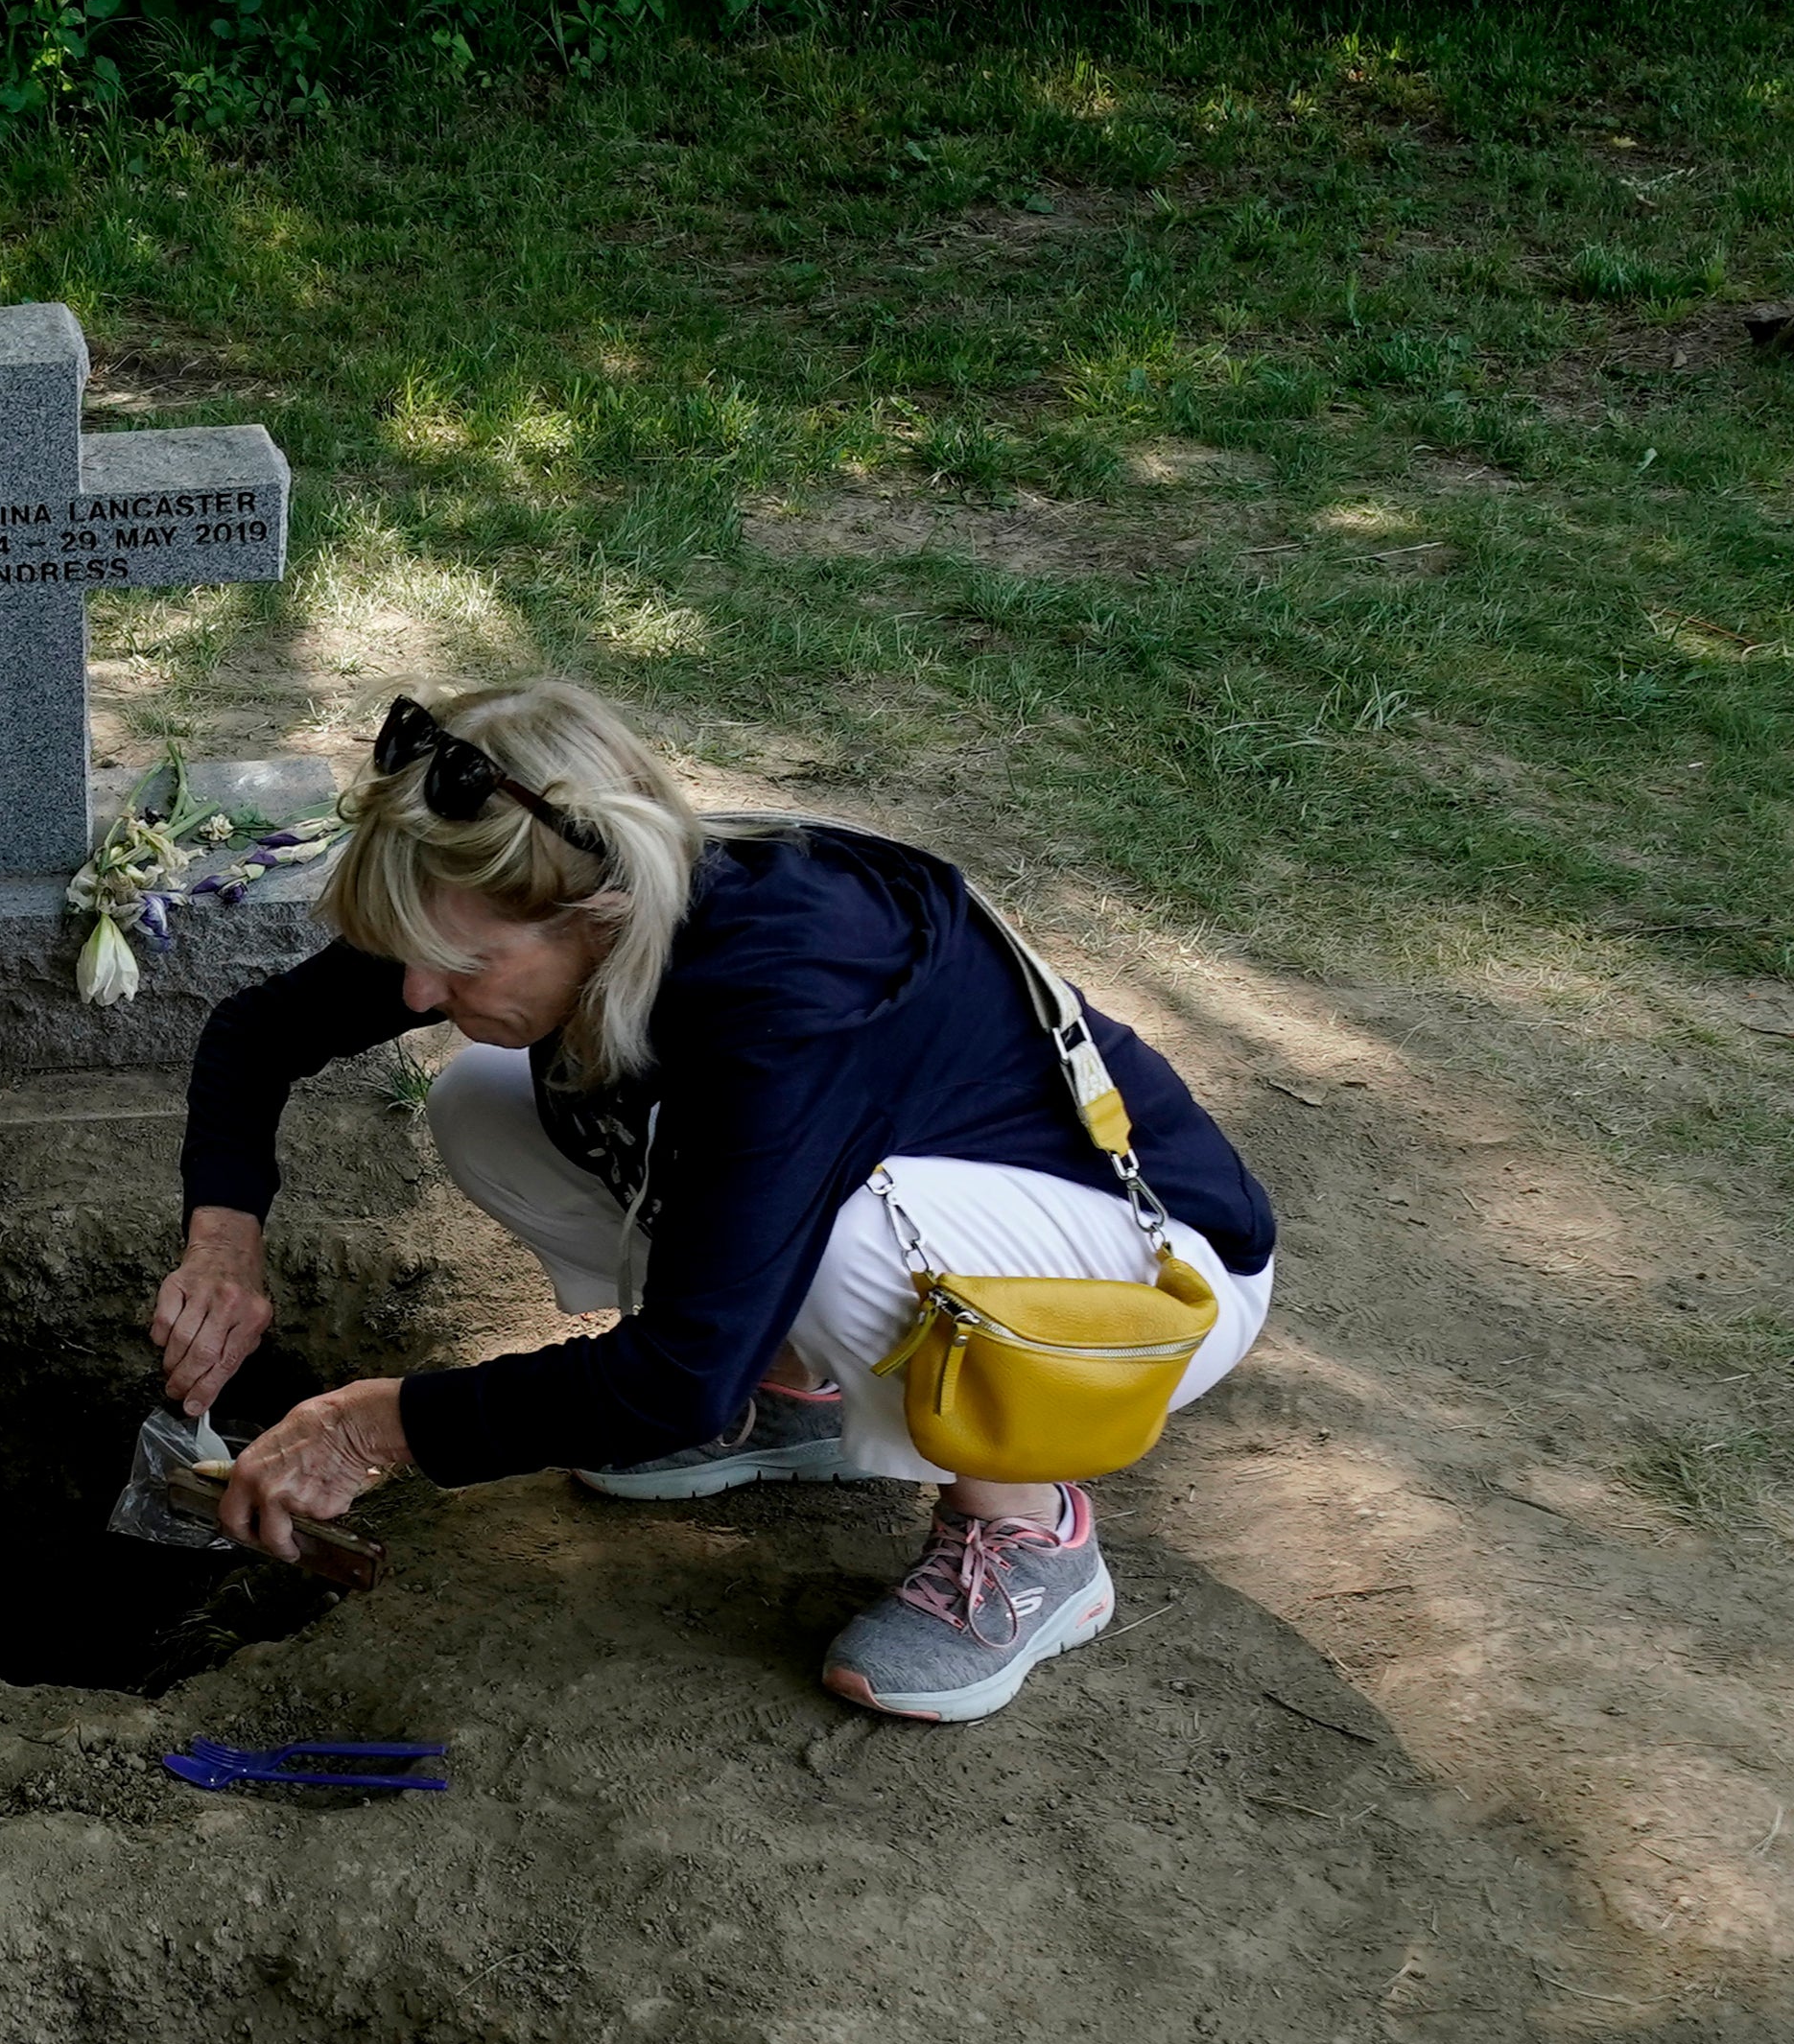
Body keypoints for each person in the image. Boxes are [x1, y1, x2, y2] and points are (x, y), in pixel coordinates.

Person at [151, 678, 1279, 1725]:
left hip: (1137, 1290)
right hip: (964, 1219)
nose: (414, 993)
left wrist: (369, 1423)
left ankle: (1029, 1530)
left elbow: (673, 1380)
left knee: (839, 1234)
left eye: (458, 964)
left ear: (593, 909)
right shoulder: (532, 892)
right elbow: (257, 1034)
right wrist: (221, 1246)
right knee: (485, 1097)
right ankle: (797, 1393)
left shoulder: (788, 994)